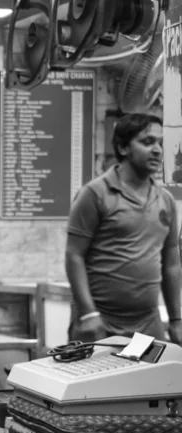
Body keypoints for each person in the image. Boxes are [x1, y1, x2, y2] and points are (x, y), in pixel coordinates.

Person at [66, 113, 182, 344]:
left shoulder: (165, 200)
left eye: (161, 143)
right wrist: (89, 313)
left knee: (151, 380)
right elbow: (74, 255)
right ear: (122, 147)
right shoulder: (95, 194)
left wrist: (177, 319)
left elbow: (171, 263)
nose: (158, 150)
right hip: (99, 322)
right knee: (98, 380)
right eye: (148, 142)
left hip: (148, 324)